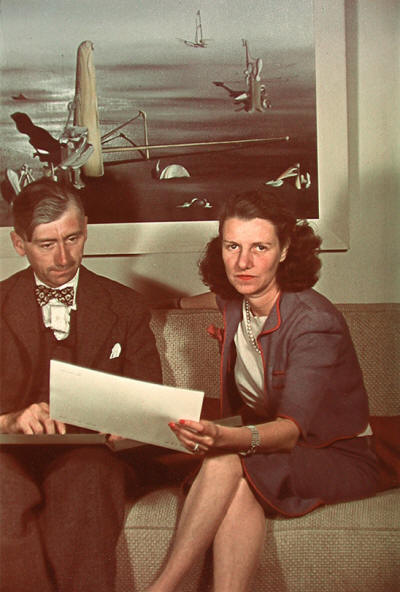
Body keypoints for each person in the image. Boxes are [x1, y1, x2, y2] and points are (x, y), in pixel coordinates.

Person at [147, 188, 378, 592]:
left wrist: (225, 437)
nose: (243, 262)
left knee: (223, 462)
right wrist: (158, 303)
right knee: (237, 485)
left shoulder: (313, 323)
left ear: (285, 250)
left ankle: (160, 588)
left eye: (260, 247)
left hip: (333, 454)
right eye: (232, 245)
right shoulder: (238, 300)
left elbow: (289, 431)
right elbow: (210, 300)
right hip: (263, 452)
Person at [0, 178, 162, 592]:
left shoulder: (124, 306)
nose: (63, 256)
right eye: (45, 244)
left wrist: (132, 422)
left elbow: (149, 399)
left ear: (86, 228)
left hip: (95, 457)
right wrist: (10, 419)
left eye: (72, 238)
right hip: (8, 455)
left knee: (86, 481)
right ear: (19, 245)